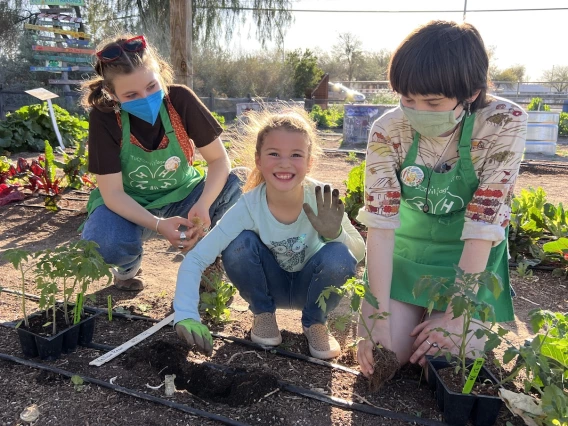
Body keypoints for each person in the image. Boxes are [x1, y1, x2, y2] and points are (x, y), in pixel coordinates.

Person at [355, 20, 527, 377]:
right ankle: (405, 314)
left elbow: (484, 221)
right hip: (406, 255)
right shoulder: (388, 130)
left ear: (471, 92)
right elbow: (382, 226)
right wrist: (375, 315)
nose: (418, 111)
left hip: (469, 262)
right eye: (407, 100)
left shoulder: (504, 123)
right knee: (387, 356)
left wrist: (455, 314)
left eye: (432, 102)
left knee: (448, 357)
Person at [173, 107, 365, 359]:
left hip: (311, 287)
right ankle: (263, 314)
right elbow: (197, 258)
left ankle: (315, 323)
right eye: (274, 153)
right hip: (269, 284)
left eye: (296, 155)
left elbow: (358, 252)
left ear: (309, 162)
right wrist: (185, 315)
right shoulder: (249, 205)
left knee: (339, 253)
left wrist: (335, 233)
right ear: (259, 160)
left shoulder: (321, 197)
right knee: (239, 244)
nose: (284, 163)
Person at [80, 34, 244, 290]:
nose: (145, 98)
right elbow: (112, 194)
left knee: (240, 182)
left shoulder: (180, 100)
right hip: (130, 206)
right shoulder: (104, 118)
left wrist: (203, 204)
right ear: (112, 94)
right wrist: (158, 225)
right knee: (103, 244)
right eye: (131, 94)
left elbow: (219, 161)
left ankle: (206, 255)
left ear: (162, 75)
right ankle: (127, 263)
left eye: (152, 87)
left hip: (183, 198)